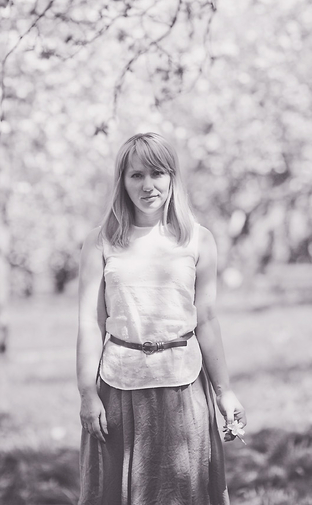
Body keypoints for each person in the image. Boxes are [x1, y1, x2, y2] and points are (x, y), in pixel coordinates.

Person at [77, 132, 246, 505]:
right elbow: (90, 322)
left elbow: (207, 319)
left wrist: (224, 391)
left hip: (183, 386)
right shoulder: (100, 241)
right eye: (136, 175)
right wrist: (87, 393)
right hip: (119, 385)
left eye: (157, 173)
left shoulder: (198, 240)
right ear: (122, 180)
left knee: (182, 492)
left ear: (172, 177)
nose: (148, 185)